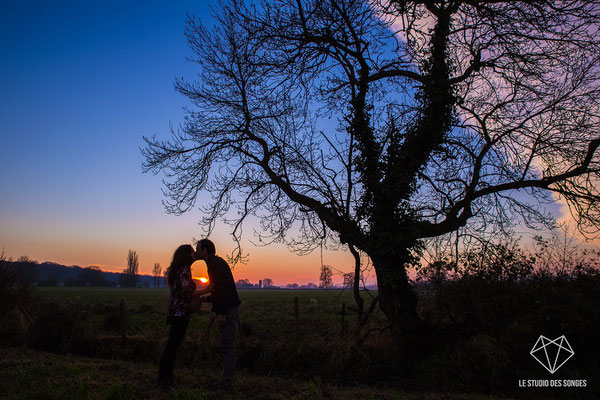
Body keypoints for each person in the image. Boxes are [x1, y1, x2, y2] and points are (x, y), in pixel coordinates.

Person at [195, 238, 241, 390]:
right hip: (227, 307)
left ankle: (226, 383)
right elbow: (217, 289)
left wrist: (220, 312)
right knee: (227, 346)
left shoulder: (215, 264)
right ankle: (226, 380)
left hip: (228, 309)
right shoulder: (214, 263)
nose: (196, 252)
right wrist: (206, 298)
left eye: (199, 249)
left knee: (228, 347)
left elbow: (223, 290)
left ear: (206, 250)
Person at [157, 244, 197, 392]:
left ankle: (165, 377)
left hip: (173, 311)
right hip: (181, 313)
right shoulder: (185, 270)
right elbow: (186, 291)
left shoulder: (174, 270)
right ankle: (164, 379)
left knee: (171, 346)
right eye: (193, 252)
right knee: (173, 347)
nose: (195, 255)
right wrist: (204, 292)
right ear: (187, 255)